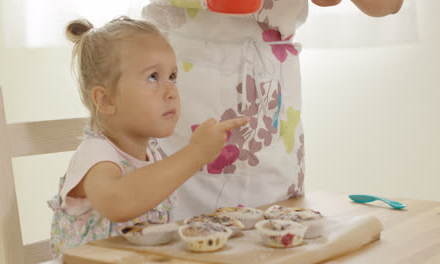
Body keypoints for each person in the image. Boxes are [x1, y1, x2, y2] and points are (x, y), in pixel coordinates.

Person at [141, 0, 404, 220]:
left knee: (272, 234)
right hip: (171, 80)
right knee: (165, 233)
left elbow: (386, 5)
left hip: (268, 103)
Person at [47, 16, 249, 259]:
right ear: (106, 100)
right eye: (153, 77)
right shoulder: (95, 154)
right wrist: (195, 154)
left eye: (172, 77)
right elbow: (117, 202)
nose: (171, 91)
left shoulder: (152, 154)